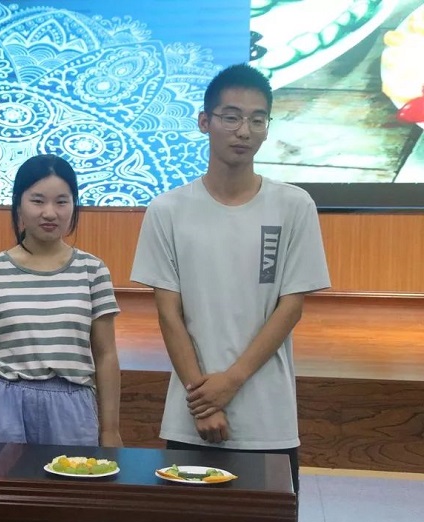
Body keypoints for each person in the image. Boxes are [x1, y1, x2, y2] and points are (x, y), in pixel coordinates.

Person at [130, 63, 330, 493]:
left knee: (269, 520)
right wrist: (204, 403)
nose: (244, 131)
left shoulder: (294, 206)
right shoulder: (168, 210)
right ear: (205, 121)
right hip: (192, 416)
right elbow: (169, 315)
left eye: (257, 120)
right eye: (231, 117)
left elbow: (290, 309)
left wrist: (231, 382)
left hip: (268, 420)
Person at [0, 154, 123, 447]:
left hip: (72, 408)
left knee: (71, 478)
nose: (50, 213)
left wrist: (110, 430)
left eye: (61, 202)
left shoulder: (93, 270)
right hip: (6, 406)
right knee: (6, 479)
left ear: (74, 206)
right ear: (18, 205)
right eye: (37, 201)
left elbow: (106, 355)